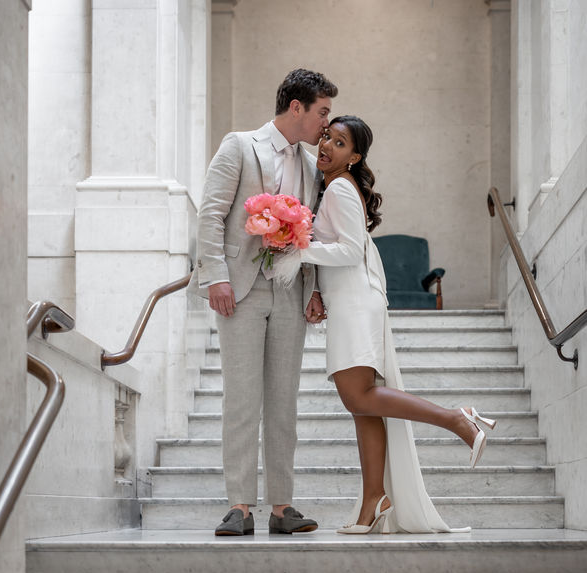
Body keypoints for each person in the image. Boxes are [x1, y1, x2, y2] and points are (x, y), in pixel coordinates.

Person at [274, 115, 496, 534]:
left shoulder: (340, 187)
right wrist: (315, 289)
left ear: (354, 157)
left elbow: (349, 251)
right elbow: (341, 249)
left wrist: (296, 250)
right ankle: (373, 501)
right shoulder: (333, 187)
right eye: (327, 137)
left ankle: (455, 418)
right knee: (363, 407)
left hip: (356, 300)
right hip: (349, 299)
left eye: (340, 143)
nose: (327, 146)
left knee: (358, 396)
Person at [188, 68, 338, 536]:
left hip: (291, 290)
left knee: (283, 402)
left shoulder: (312, 167)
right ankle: (239, 506)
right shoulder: (240, 146)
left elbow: (313, 234)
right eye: (322, 112)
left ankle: (281, 507)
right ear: (296, 107)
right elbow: (212, 214)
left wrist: (315, 290)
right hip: (241, 289)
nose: (326, 124)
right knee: (241, 399)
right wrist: (215, 277)